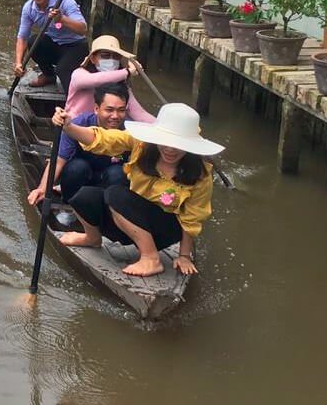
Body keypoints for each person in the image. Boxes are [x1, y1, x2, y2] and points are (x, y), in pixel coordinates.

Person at [51, 102, 223, 276]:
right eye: (165, 141)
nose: (170, 149)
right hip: (128, 221)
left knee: (114, 193)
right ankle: (92, 238)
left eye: (178, 144)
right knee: (84, 196)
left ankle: (151, 258)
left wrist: (184, 255)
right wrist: (70, 127)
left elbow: (192, 217)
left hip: (163, 229)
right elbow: (104, 139)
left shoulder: (199, 173)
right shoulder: (142, 145)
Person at [29, 82, 132, 206]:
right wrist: (42, 189)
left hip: (110, 179)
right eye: (109, 110)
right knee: (77, 167)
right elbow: (58, 161)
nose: (115, 116)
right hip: (81, 177)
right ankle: (70, 205)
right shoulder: (77, 125)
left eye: (121, 110)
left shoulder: (132, 130)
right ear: (96, 109)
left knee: (119, 174)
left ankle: (109, 212)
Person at [14, 0, 88, 94]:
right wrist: (18, 63)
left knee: (62, 70)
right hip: (54, 44)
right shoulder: (28, 8)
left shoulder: (64, 0)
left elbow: (83, 29)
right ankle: (49, 76)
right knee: (34, 41)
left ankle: (73, 104)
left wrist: (62, 19)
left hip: (75, 46)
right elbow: (22, 37)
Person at [66, 35, 154, 122]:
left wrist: (160, 125)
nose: (111, 60)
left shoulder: (121, 84)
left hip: (103, 130)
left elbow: (139, 113)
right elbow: (94, 80)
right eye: (105, 55)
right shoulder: (79, 74)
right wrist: (128, 71)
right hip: (75, 126)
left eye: (116, 56)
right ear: (93, 58)